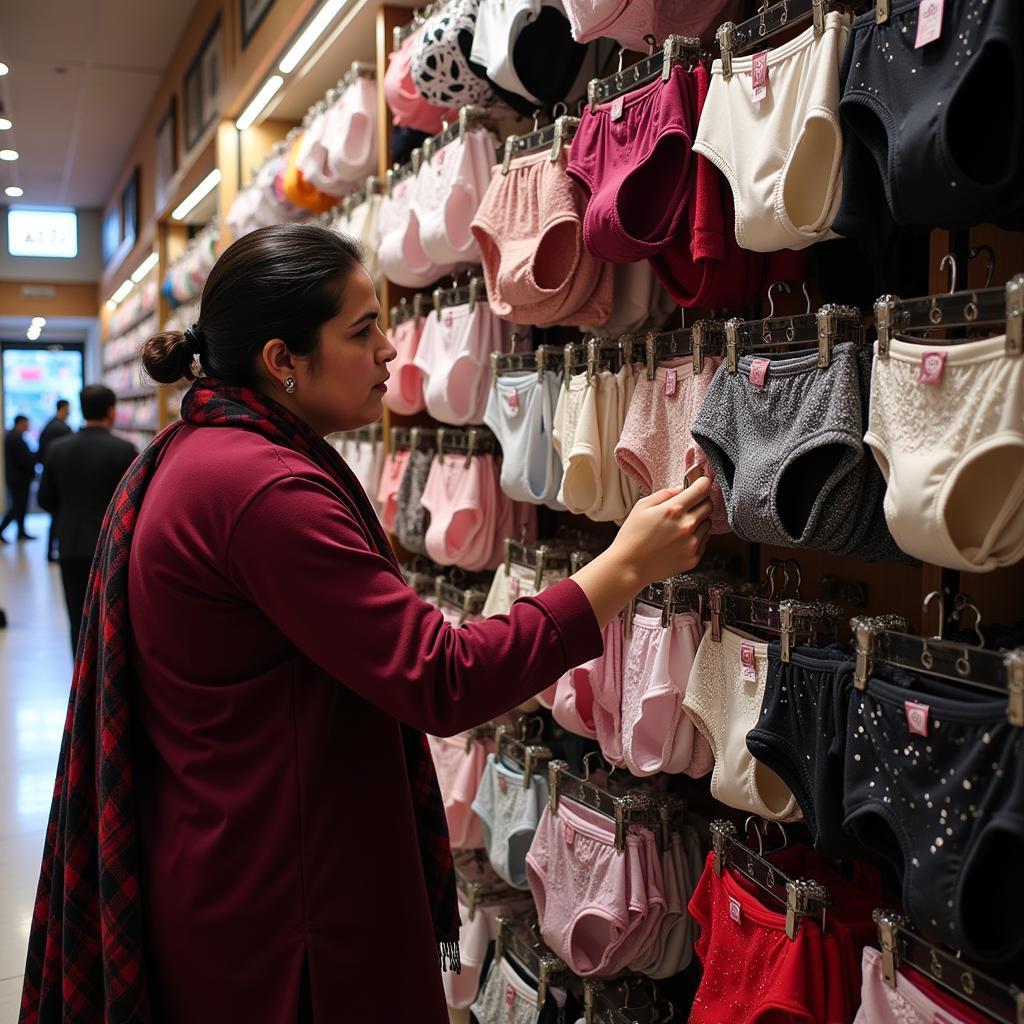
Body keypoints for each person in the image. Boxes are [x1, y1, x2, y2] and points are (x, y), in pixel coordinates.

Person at [21, 224, 713, 1024]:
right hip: (290, 914)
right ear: (283, 361)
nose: (390, 349)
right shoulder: (262, 491)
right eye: (361, 331)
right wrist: (623, 567)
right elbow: (443, 676)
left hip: (239, 866)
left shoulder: (206, 453)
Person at [38, 385, 136, 653]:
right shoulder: (124, 450)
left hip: (70, 544)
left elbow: (45, 499)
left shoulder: (57, 449)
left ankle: (80, 678)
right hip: (112, 549)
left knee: (77, 617)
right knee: (112, 617)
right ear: (111, 411)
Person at [37, 398, 73, 561]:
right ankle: (56, 550)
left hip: (51, 474)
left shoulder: (49, 425)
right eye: (68, 409)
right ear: (63, 408)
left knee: (55, 517)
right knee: (59, 517)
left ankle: (52, 551)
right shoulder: (62, 428)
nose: (69, 412)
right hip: (61, 477)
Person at [1, 414, 37, 542]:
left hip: (19, 479)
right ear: (21, 423)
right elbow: (23, 459)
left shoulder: (15, 436)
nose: (28, 426)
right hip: (18, 480)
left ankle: (21, 532)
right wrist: (34, 459)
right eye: (27, 423)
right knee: (17, 507)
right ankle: (1, 529)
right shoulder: (14, 438)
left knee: (21, 507)